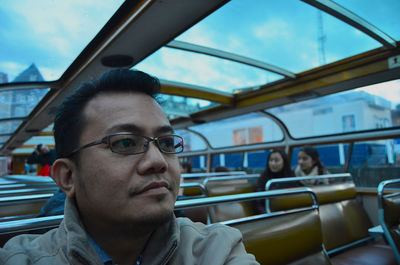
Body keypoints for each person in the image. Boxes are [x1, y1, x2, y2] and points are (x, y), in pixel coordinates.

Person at [0, 69, 258, 265]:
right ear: (68, 177)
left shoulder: (216, 249)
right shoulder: (19, 258)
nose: (157, 161)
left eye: (167, 142)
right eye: (124, 142)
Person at [254, 149, 296, 214]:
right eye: (271, 160)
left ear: (284, 161)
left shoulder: (291, 177)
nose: (273, 163)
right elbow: (258, 203)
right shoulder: (263, 178)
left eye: (276, 160)